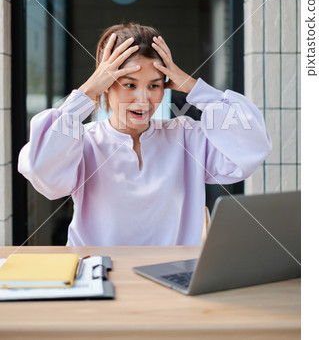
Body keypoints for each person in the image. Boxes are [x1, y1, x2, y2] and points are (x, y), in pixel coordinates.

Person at [18, 22, 272, 246]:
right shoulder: (83, 141)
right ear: (106, 86)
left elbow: (252, 145)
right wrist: (87, 91)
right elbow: (41, 169)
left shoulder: (186, 137)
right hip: (98, 277)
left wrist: (195, 88)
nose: (143, 100)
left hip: (173, 278)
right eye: (129, 85)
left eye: (154, 86)